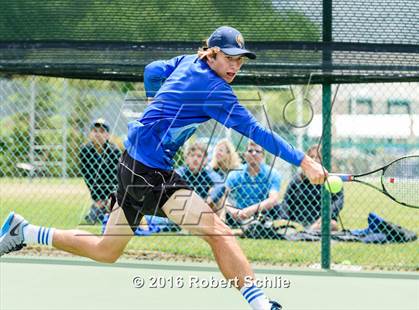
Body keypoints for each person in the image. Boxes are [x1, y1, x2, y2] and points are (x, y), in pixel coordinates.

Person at [0, 26, 326, 310]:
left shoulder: (187, 61)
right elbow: (257, 133)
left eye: (239, 60)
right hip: (150, 173)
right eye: (228, 58)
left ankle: (24, 231)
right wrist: (304, 160)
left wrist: (155, 106)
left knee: (106, 249)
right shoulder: (214, 91)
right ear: (211, 55)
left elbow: (153, 68)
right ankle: (263, 305)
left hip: (133, 164)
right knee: (219, 231)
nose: (234, 66)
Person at [278, 145, 344, 231]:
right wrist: (285, 219)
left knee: (333, 224)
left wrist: (319, 221)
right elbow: (286, 201)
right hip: (297, 221)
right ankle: (300, 230)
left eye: (318, 157)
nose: (314, 160)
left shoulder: (333, 180)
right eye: (311, 157)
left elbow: (338, 203)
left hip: (320, 222)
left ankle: (310, 230)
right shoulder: (297, 179)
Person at [222, 141, 283, 227]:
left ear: (263, 155)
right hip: (239, 214)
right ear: (245, 154)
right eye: (250, 151)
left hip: (263, 214)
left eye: (257, 151)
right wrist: (232, 211)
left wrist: (251, 210)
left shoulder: (272, 174)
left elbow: (273, 199)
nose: (253, 153)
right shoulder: (235, 173)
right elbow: (222, 195)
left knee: (276, 208)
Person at [79, 119, 122, 224]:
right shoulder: (85, 150)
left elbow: (116, 176)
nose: (98, 134)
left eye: (102, 131)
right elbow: (87, 176)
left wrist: (109, 197)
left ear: (107, 135)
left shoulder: (114, 151)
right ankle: (100, 207)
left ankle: (105, 207)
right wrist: (97, 197)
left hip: (112, 188)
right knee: (93, 218)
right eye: (95, 131)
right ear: (90, 133)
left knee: (110, 212)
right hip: (96, 189)